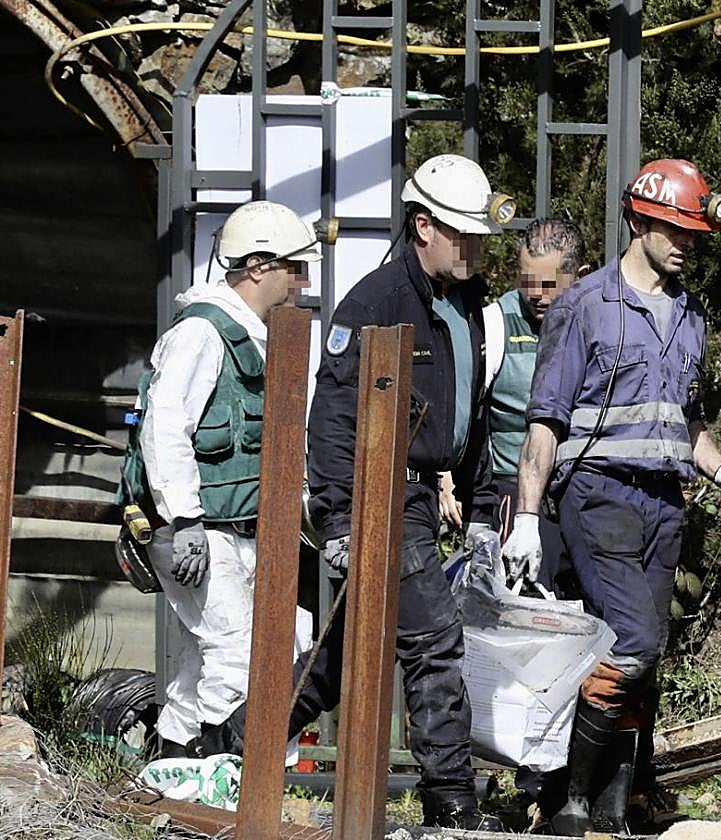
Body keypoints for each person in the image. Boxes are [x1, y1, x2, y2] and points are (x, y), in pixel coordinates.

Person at [219, 154, 507, 831]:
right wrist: (341, 518)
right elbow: (336, 416)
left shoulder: (465, 300)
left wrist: (486, 509)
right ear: (422, 227)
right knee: (434, 640)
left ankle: (225, 745)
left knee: (336, 661)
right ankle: (452, 803)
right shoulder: (377, 302)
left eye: (478, 235)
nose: (473, 246)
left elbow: (472, 410)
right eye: (461, 233)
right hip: (378, 501)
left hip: (416, 498)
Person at [501, 159, 721, 835]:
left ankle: (611, 811)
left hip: (662, 503)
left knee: (638, 665)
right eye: (670, 227)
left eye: (692, 231)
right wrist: (528, 519)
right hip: (598, 494)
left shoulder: (689, 315)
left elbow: (686, 419)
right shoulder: (582, 306)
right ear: (636, 221)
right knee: (634, 643)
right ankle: (566, 805)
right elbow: (546, 420)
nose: (684, 242)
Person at [142, 200, 320, 759]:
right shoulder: (201, 332)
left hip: (246, 530)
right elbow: (164, 427)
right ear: (260, 266)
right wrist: (185, 520)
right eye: (297, 268)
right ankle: (226, 785)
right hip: (202, 533)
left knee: (221, 656)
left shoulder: (260, 336)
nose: (304, 281)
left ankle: (171, 761)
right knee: (238, 656)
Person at [440, 218, 589, 597]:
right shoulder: (496, 322)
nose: (535, 295)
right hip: (513, 488)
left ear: (581, 276)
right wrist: (446, 478)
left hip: (580, 491)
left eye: (549, 284)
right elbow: (460, 407)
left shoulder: (599, 321)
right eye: (526, 282)